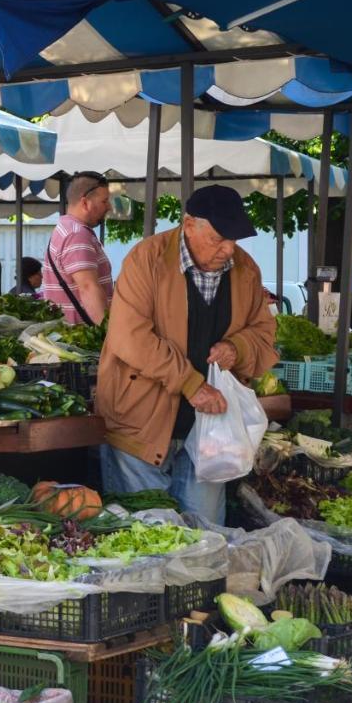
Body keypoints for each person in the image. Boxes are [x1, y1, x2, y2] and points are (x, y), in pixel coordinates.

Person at [96, 185, 278, 523]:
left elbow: (264, 333)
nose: (227, 249)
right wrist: (191, 384)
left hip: (210, 433)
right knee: (146, 540)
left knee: (205, 542)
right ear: (189, 225)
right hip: (139, 424)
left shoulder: (245, 269)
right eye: (218, 239)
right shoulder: (146, 259)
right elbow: (129, 338)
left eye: (234, 240)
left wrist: (237, 348)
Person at [43, 171, 113, 325]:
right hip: (81, 336)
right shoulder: (77, 235)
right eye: (105, 201)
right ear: (85, 203)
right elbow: (88, 287)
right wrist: (107, 334)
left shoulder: (66, 228)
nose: (109, 207)